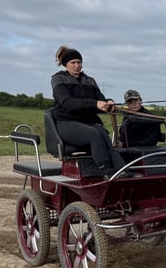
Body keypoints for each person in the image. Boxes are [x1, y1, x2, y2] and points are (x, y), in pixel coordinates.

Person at [50, 45, 125, 177]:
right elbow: (67, 102)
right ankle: (106, 171)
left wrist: (108, 102)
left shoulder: (89, 80)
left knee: (104, 137)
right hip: (66, 123)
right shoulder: (58, 79)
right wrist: (95, 103)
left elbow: (100, 100)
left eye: (79, 62)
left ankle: (123, 171)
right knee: (95, 134)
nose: (77, 65)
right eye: (73, 62)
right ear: (66, 64)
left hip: (88, 123)